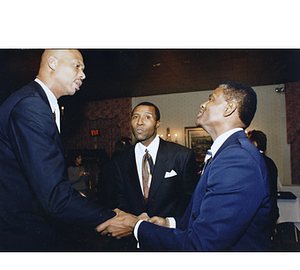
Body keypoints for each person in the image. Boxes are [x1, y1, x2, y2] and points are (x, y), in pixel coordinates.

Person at [96, 81, 273, 251]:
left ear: (229, 108)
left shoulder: (237, 159)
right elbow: (203, 217)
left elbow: (202, 245)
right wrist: (169, 223)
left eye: (211, 99)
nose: (203, 104)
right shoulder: (226, 154)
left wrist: (136, 226)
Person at [0, 49, 119, 251]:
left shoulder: (37, 103)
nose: (83, 74)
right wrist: (112, 218)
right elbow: (54, 196)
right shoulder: (31, 106)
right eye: (77, 66)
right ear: (53, 64)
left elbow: (40, 176)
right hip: (22, 237)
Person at [106, 102, 198, 250]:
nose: (139, 122)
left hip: (170, 238)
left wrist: (169, 222)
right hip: (132, 239)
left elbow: (190, 199)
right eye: (135, 117)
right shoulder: (120, 160)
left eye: (147, 117)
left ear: (157, 123)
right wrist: (133, 219)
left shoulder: (181, 155)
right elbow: (119, 196)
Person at [247, 129, 279, 236]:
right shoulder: (270, 162)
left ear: (254, 144)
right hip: (271, 212)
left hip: (258, 217)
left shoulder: (253, 162)